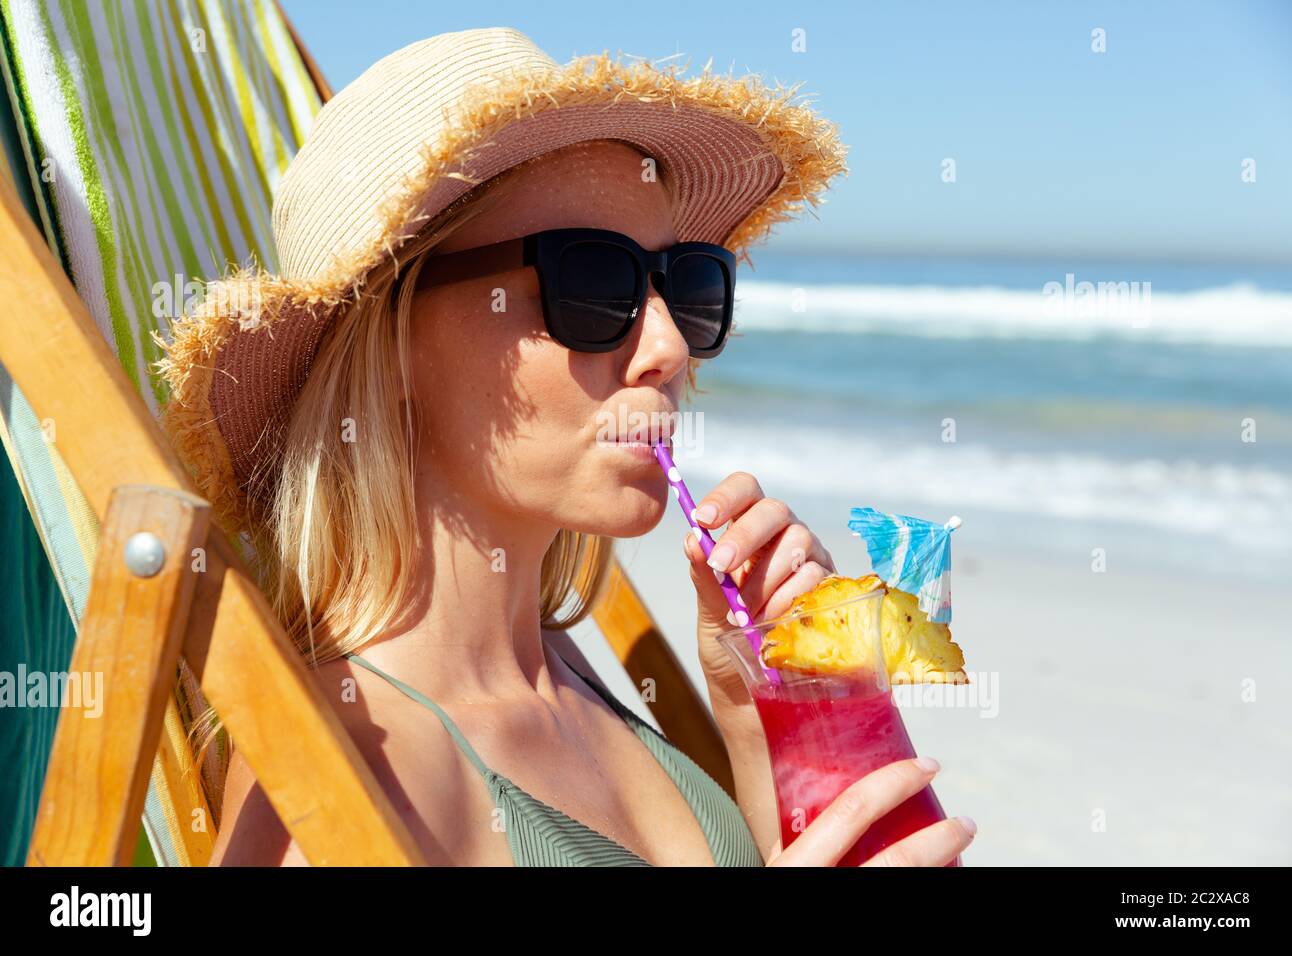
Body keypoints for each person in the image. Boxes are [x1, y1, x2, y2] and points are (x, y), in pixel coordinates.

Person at [159, 26, 976, 866]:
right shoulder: (347, 772)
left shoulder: (563, 670)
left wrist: (753, 719)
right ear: (393, 335)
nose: (668, 345)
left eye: (685, 283)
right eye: (593, 284)